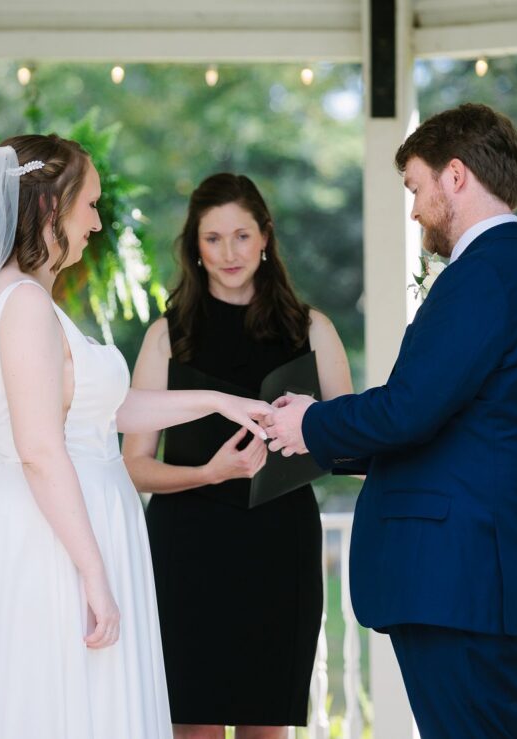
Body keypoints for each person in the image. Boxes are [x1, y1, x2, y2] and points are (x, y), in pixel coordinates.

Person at [0, 136, 270, 739]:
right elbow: (41, 450)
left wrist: (220, 401)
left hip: (61, 519)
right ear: (50, 206)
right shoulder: (22, 303)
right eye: (89, 205)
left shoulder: (17, 296)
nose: (95, 223)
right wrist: (93, 573)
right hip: (55, 535)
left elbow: (105, 409)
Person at [259, 103, 517, 738]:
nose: (415, 209)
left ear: (455, 175)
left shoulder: (486, 273)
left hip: (463, 583)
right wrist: (315, 438)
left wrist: (312, 424)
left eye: (416, 188)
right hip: (468, 582)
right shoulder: (504, 268)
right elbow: (442, 423)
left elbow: (410, 409)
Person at [123, 173, 352, 738]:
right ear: (194, 247)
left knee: (267, 726)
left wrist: (310, 431)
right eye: (213, 238)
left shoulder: (313, 330)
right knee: (192, 726)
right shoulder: (165, 337)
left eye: (242, 236)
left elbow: (350, 439)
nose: (229, 253)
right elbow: (134, 464)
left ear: (265, 237)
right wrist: (209, 472)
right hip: (186, 551)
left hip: (280, 547)